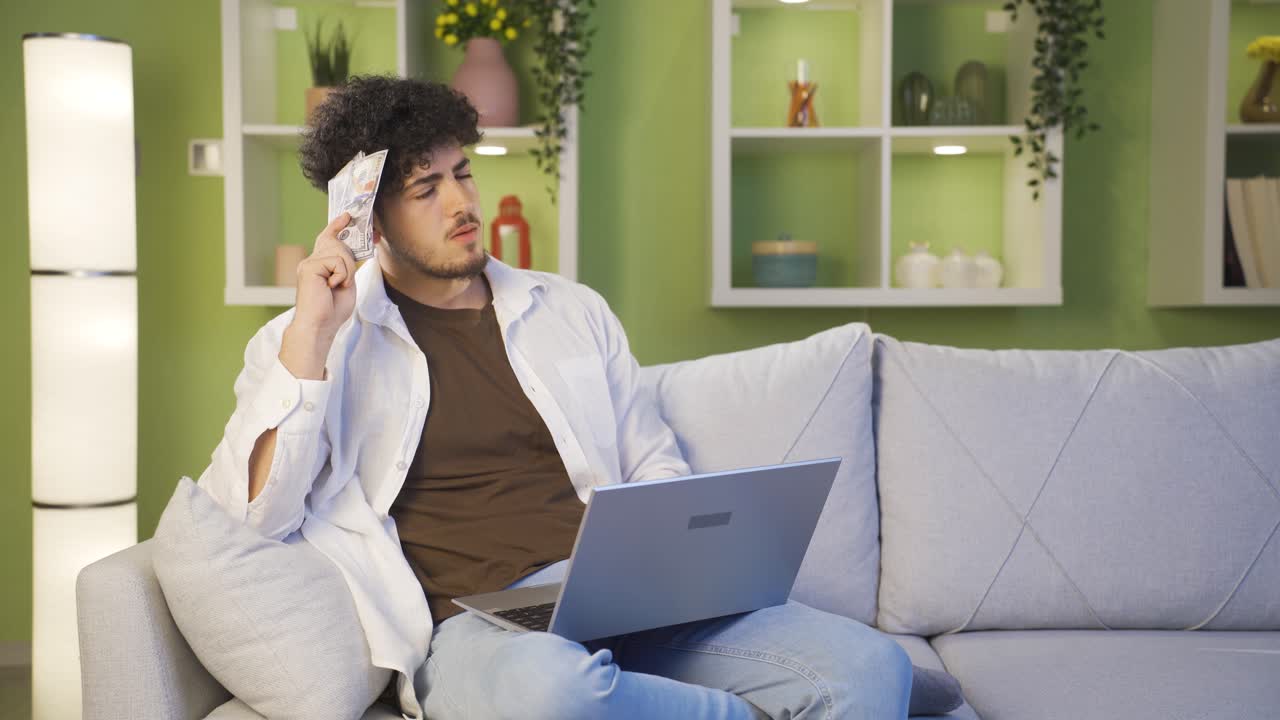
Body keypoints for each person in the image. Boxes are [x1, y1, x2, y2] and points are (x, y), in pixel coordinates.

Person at [198, 75, 913, 719]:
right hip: (478, 633)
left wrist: (667, 568)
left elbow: (652, 462)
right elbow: (256, 515)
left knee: (873, 667)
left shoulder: (572, 311)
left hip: (622, 599)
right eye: (426, 189)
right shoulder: (311, 341)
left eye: (462, 174)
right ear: (368, 221)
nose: (462, 203)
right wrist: (314, 335)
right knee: (556, 695)